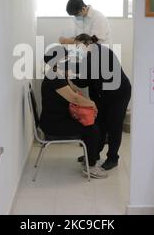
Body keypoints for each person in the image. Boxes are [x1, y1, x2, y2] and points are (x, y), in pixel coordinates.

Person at [40, 45, 108, 179]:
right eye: (65, 58)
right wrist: (92, 104)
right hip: (54, 124)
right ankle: (92, 167)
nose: (68, 60)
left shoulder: (58, 75)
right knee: (92, 130)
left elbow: (74, 91)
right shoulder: (54, 77)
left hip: (58, 118)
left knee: (92, 126)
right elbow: (73, 97)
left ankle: (89, 159)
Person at [72, 34, 131, 171]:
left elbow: (83, 81)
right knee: (99, 123)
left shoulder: (101, 54)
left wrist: (68, 75)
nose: (76, 50)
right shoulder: (89, 55)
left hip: (118, 94)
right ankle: (94, 154)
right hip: (103, 95)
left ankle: (112, 158)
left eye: (78, 47)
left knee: (114, 126)